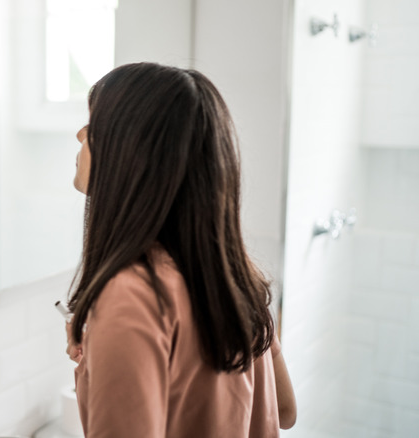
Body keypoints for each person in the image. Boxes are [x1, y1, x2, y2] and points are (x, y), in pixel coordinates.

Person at [63, 62, 296, 436]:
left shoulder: (132, 294)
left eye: (96, 124)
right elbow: (284, 411)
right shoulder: (231, 276)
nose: (80, 134)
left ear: (132, 153)